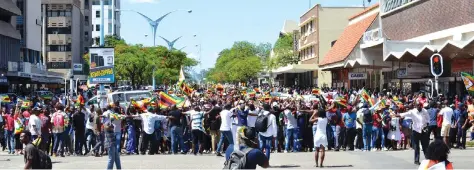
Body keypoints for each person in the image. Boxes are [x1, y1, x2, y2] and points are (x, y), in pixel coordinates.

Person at [399, 101, 430, 165]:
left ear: (422, 106)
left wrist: (426, 125)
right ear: (416, 106)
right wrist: (398, 115)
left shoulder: (425, 111)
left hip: (423, 130)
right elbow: (405, 114)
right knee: (416, 146)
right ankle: (416, 160)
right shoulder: (413, 111)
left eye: (420, 105)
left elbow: (428, 119)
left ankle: (427, 159)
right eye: (417, 105)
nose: (419, 107)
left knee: (425, 146)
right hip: (416, 130)